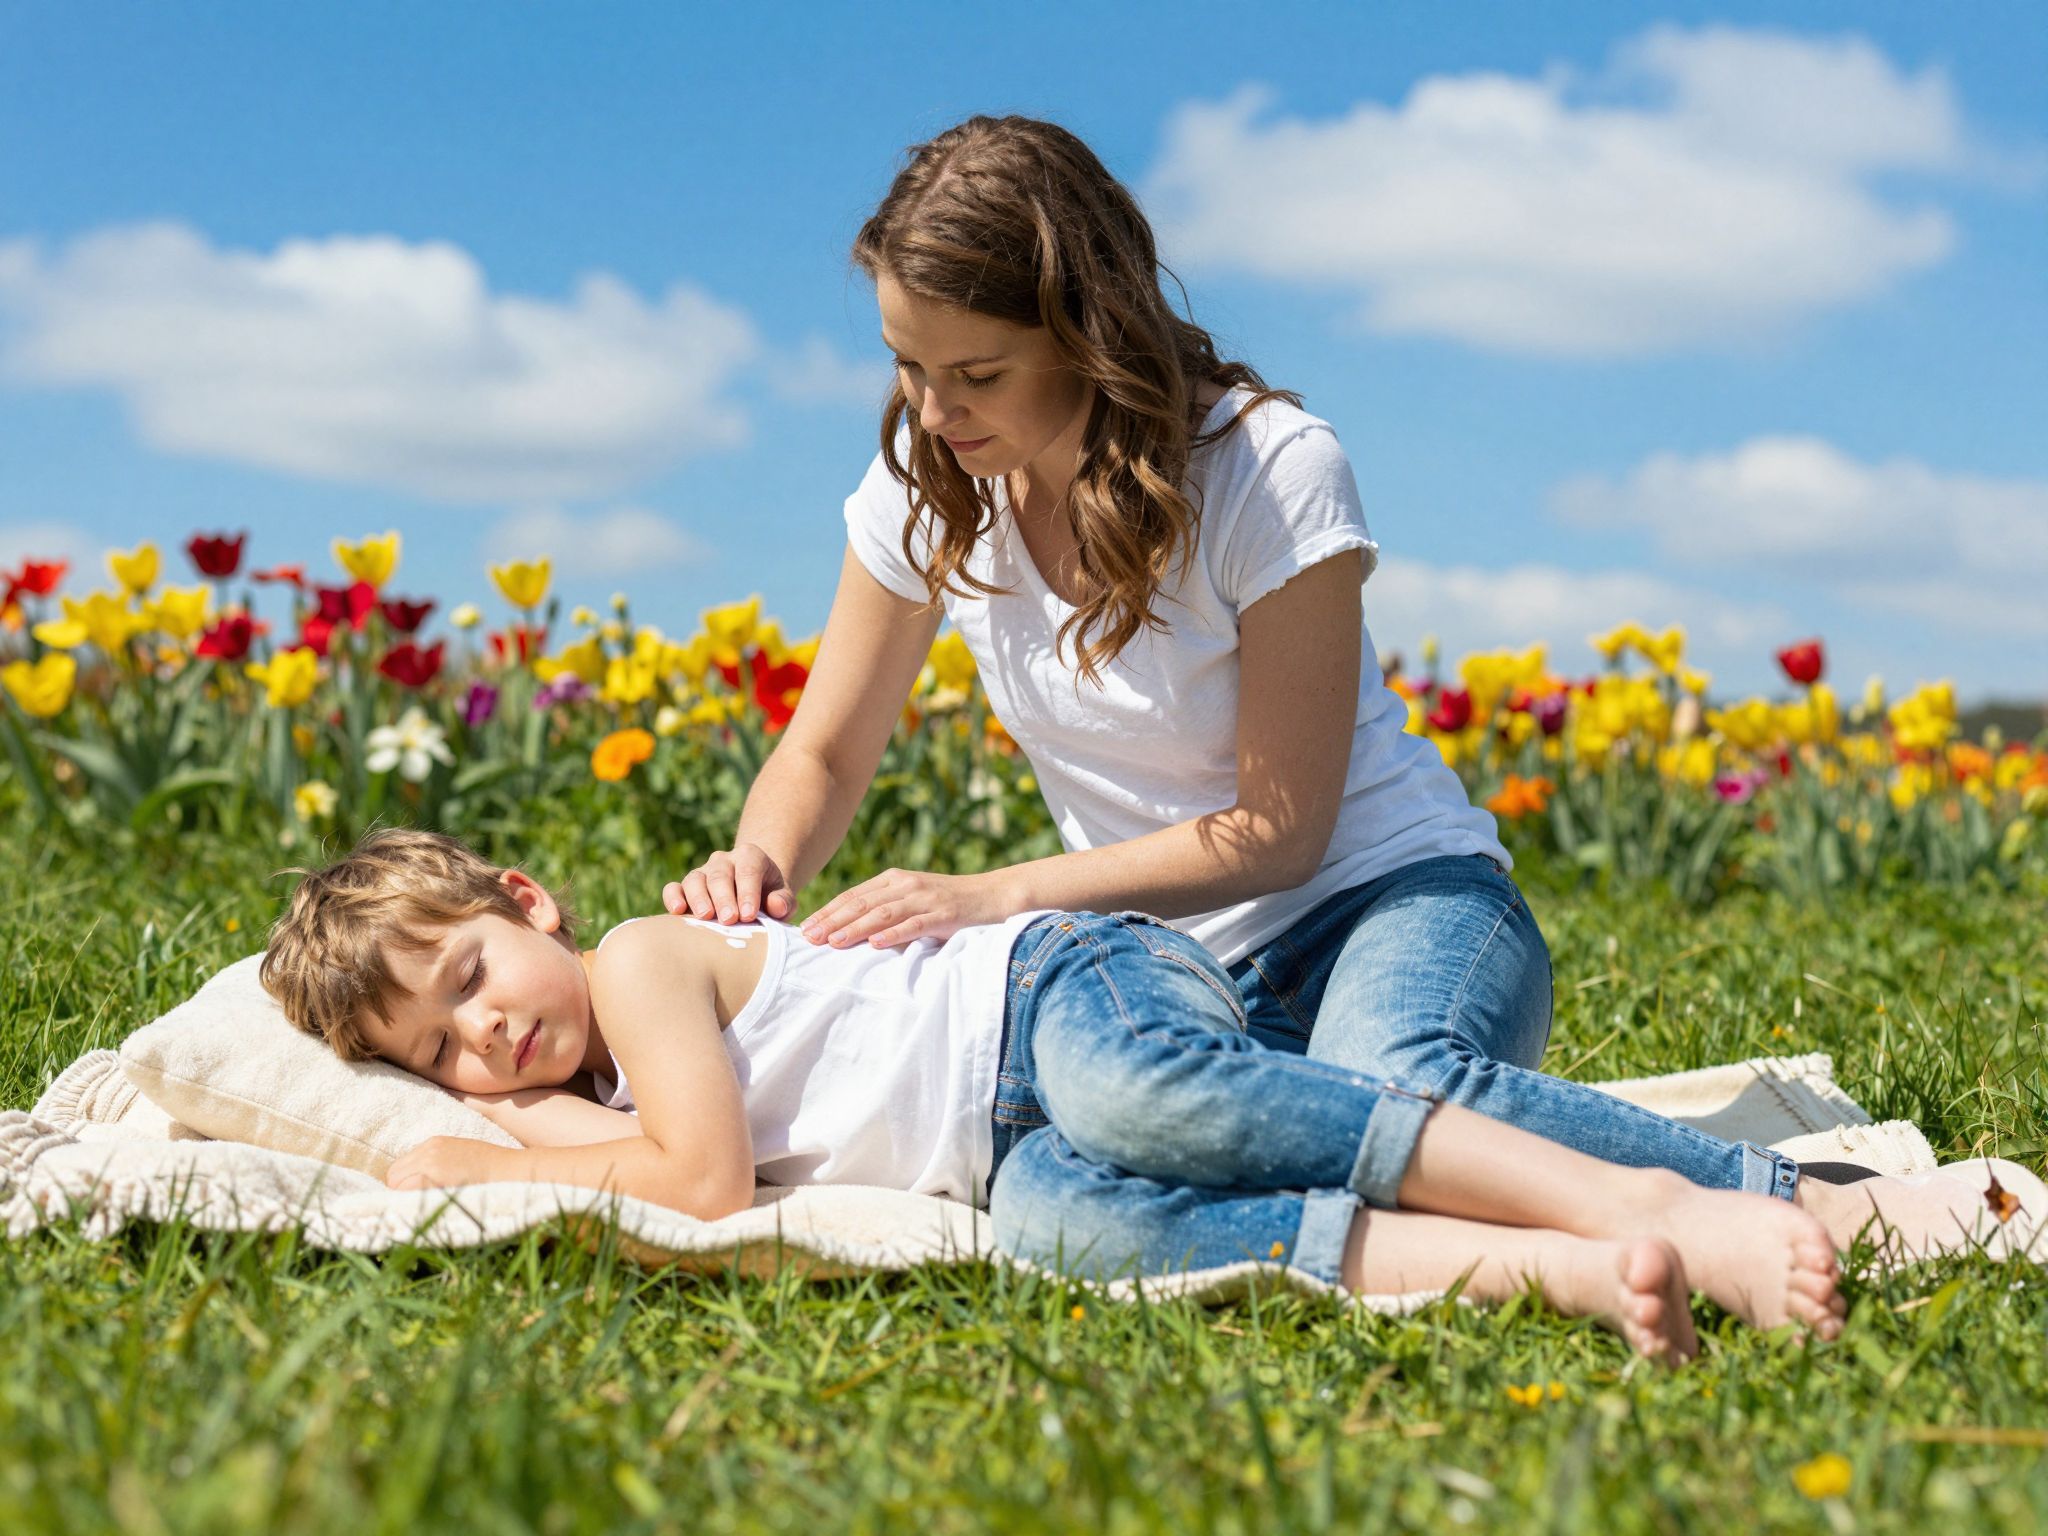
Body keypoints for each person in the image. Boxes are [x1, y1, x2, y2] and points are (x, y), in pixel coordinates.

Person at [661, 114, 1986, 1253]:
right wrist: (755, 873)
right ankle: (1439, 1243)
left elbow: (1278, 833)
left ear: (1085, 332)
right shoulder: (930, 490)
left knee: (1391, 1070)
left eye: (976, 374)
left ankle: (1817, 1204)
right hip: (1179, 969)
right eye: (907, 364)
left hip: (1395, 904)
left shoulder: (1268, 469)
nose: (933, 410)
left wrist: (995, 896)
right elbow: (826, 751)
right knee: (1055, 1187)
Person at [262, 828, 1866, 1362]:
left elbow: (696, 1185)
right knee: (1088, 1235)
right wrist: (517, 1126)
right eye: (436, 1048)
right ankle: (1569, 1268)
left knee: (1149, 1096)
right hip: (1001, 1149)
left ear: (527, 905)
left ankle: (1650, 1197)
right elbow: (639, 1157)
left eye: (469, 975)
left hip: (1054, 995)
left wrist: (479, 1162)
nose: (484, 1036)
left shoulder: (633, 961)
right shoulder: (577, 1098)